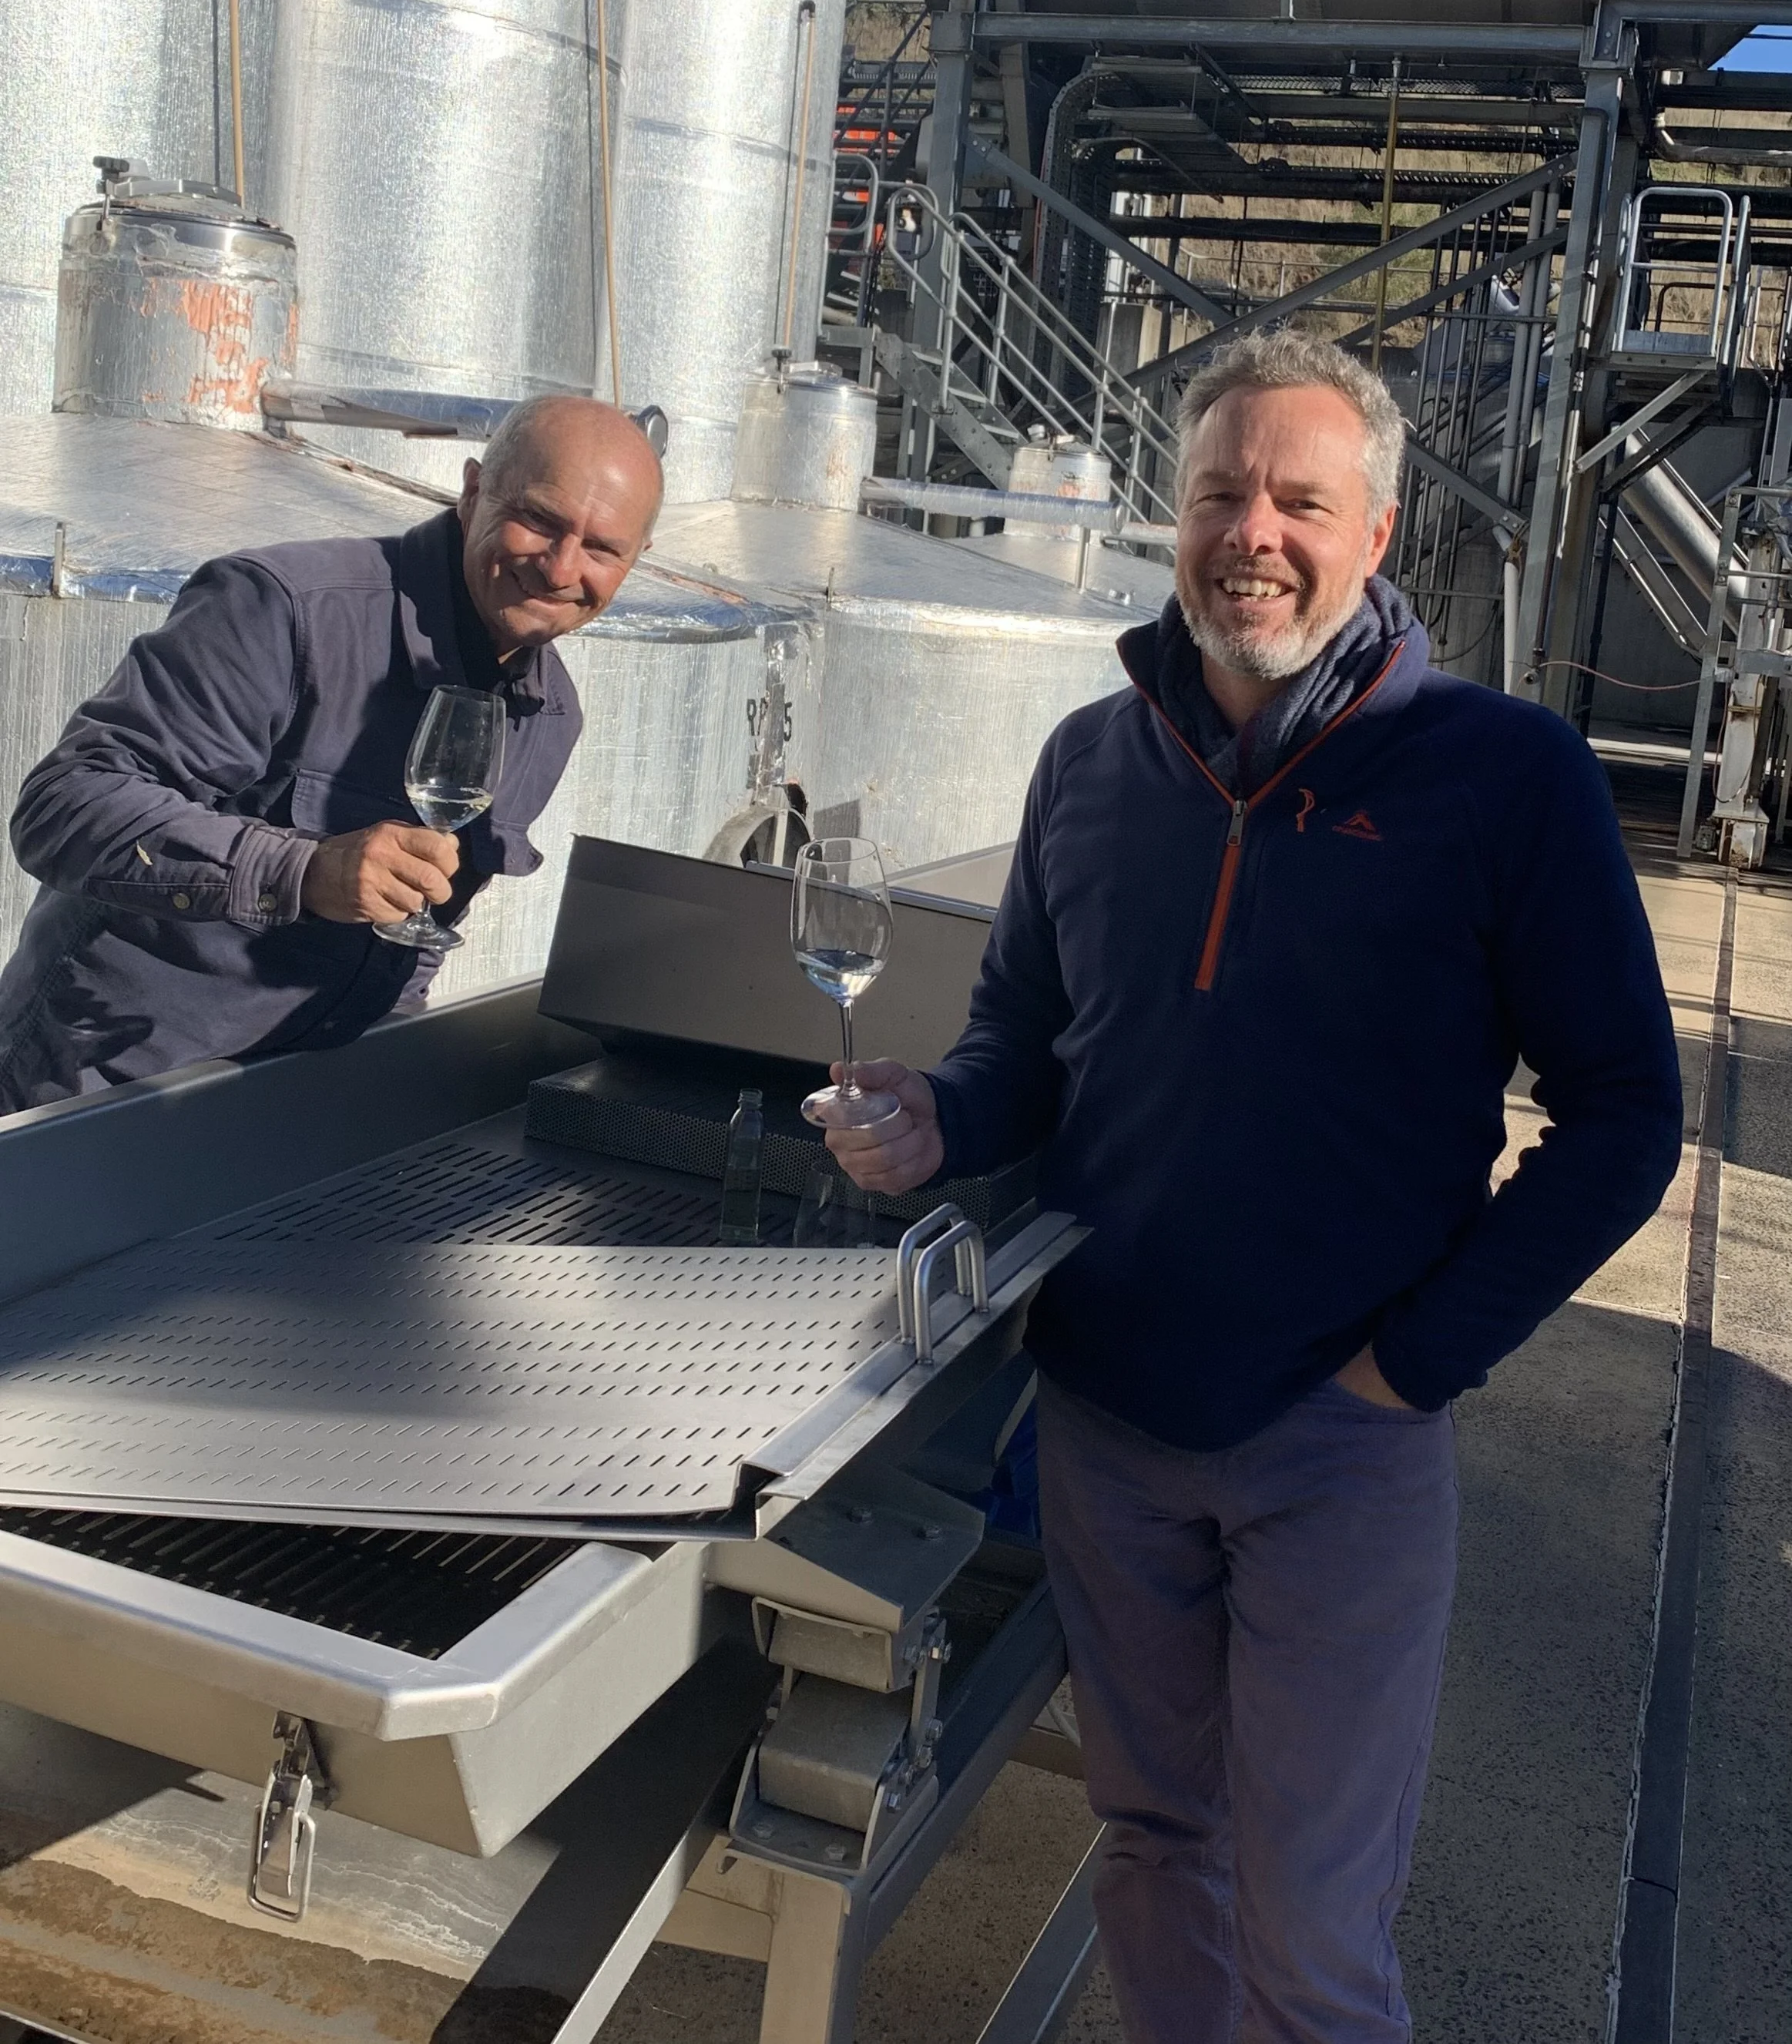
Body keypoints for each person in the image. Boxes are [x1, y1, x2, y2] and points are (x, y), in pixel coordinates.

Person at [827, 330, 1683, 2044]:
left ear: (1374, 536)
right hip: (1105, 1425)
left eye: (1301, 499)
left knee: (1311, 1927)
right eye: (1220, 491)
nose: (1253, 531)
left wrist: (1414, 1364)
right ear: (1172, 514)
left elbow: (1622, 1115)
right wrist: (937, 1117)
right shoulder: (1088, 764)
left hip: (1338, 1443)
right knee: (1152, 1843)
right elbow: (1023, 1040)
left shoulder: (1499, 781)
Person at [0, 395, 663, 1113]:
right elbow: (62, 804)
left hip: (296, 1117)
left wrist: (381, 1090)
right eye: (540, 519)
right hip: (100, 1096)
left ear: (636, 560)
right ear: (473, 491)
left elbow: (423, 929)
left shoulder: (548, 711)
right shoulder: (283, 609)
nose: (562, 568)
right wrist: (303, 871)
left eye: (602, 548)